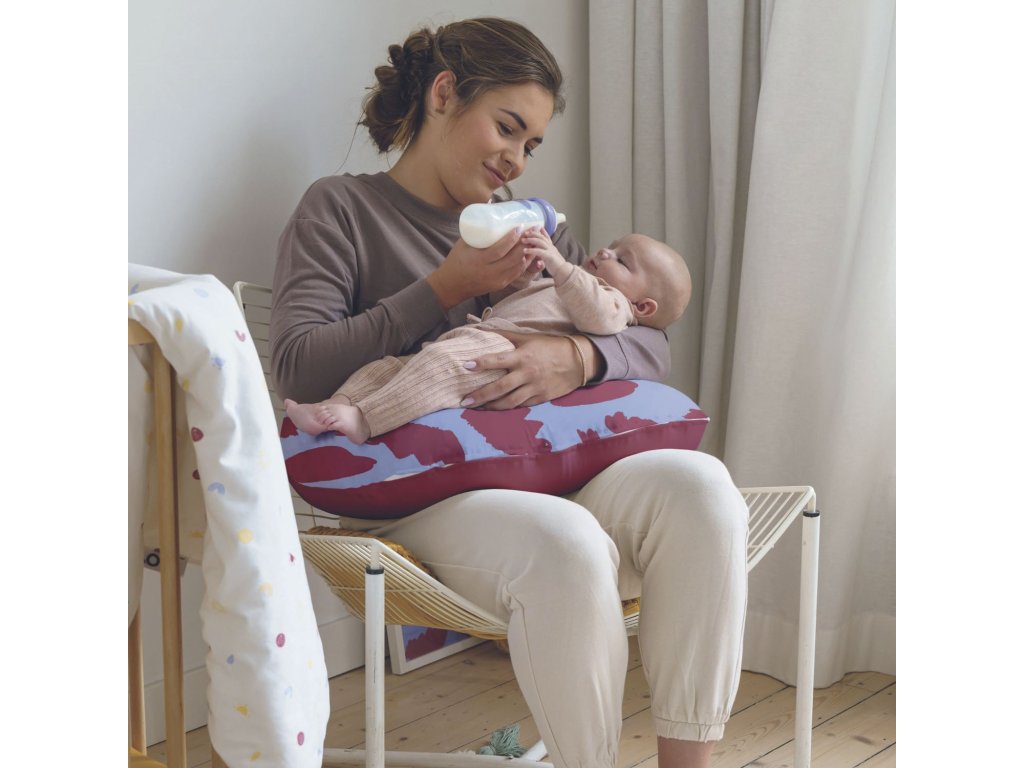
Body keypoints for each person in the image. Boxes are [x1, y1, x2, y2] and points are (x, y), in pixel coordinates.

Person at [270, 18, 748, 768]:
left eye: (532, 145)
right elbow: (298, 368)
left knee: (704, 488)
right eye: (507, 128)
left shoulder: (528, 228)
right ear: (443, 95)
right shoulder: (340, 210)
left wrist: (576, 358)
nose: (516, 160)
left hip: (552, 473)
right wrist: (444, 287)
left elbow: (645, 336)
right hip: (420, 496)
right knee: (568, 543)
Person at [282, 228, 693, 441]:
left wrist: (558, 265)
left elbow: (599, 316)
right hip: (481, 334)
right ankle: (335, 406)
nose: (604, 252)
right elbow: (522, 302)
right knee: (390, 367)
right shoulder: (577, 282)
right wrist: (524, 276)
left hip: (500, 350)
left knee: (437, 368)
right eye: (612, 246)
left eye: (622, 260)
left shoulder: (613, 303)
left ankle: (365, 420)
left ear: (642, 308)